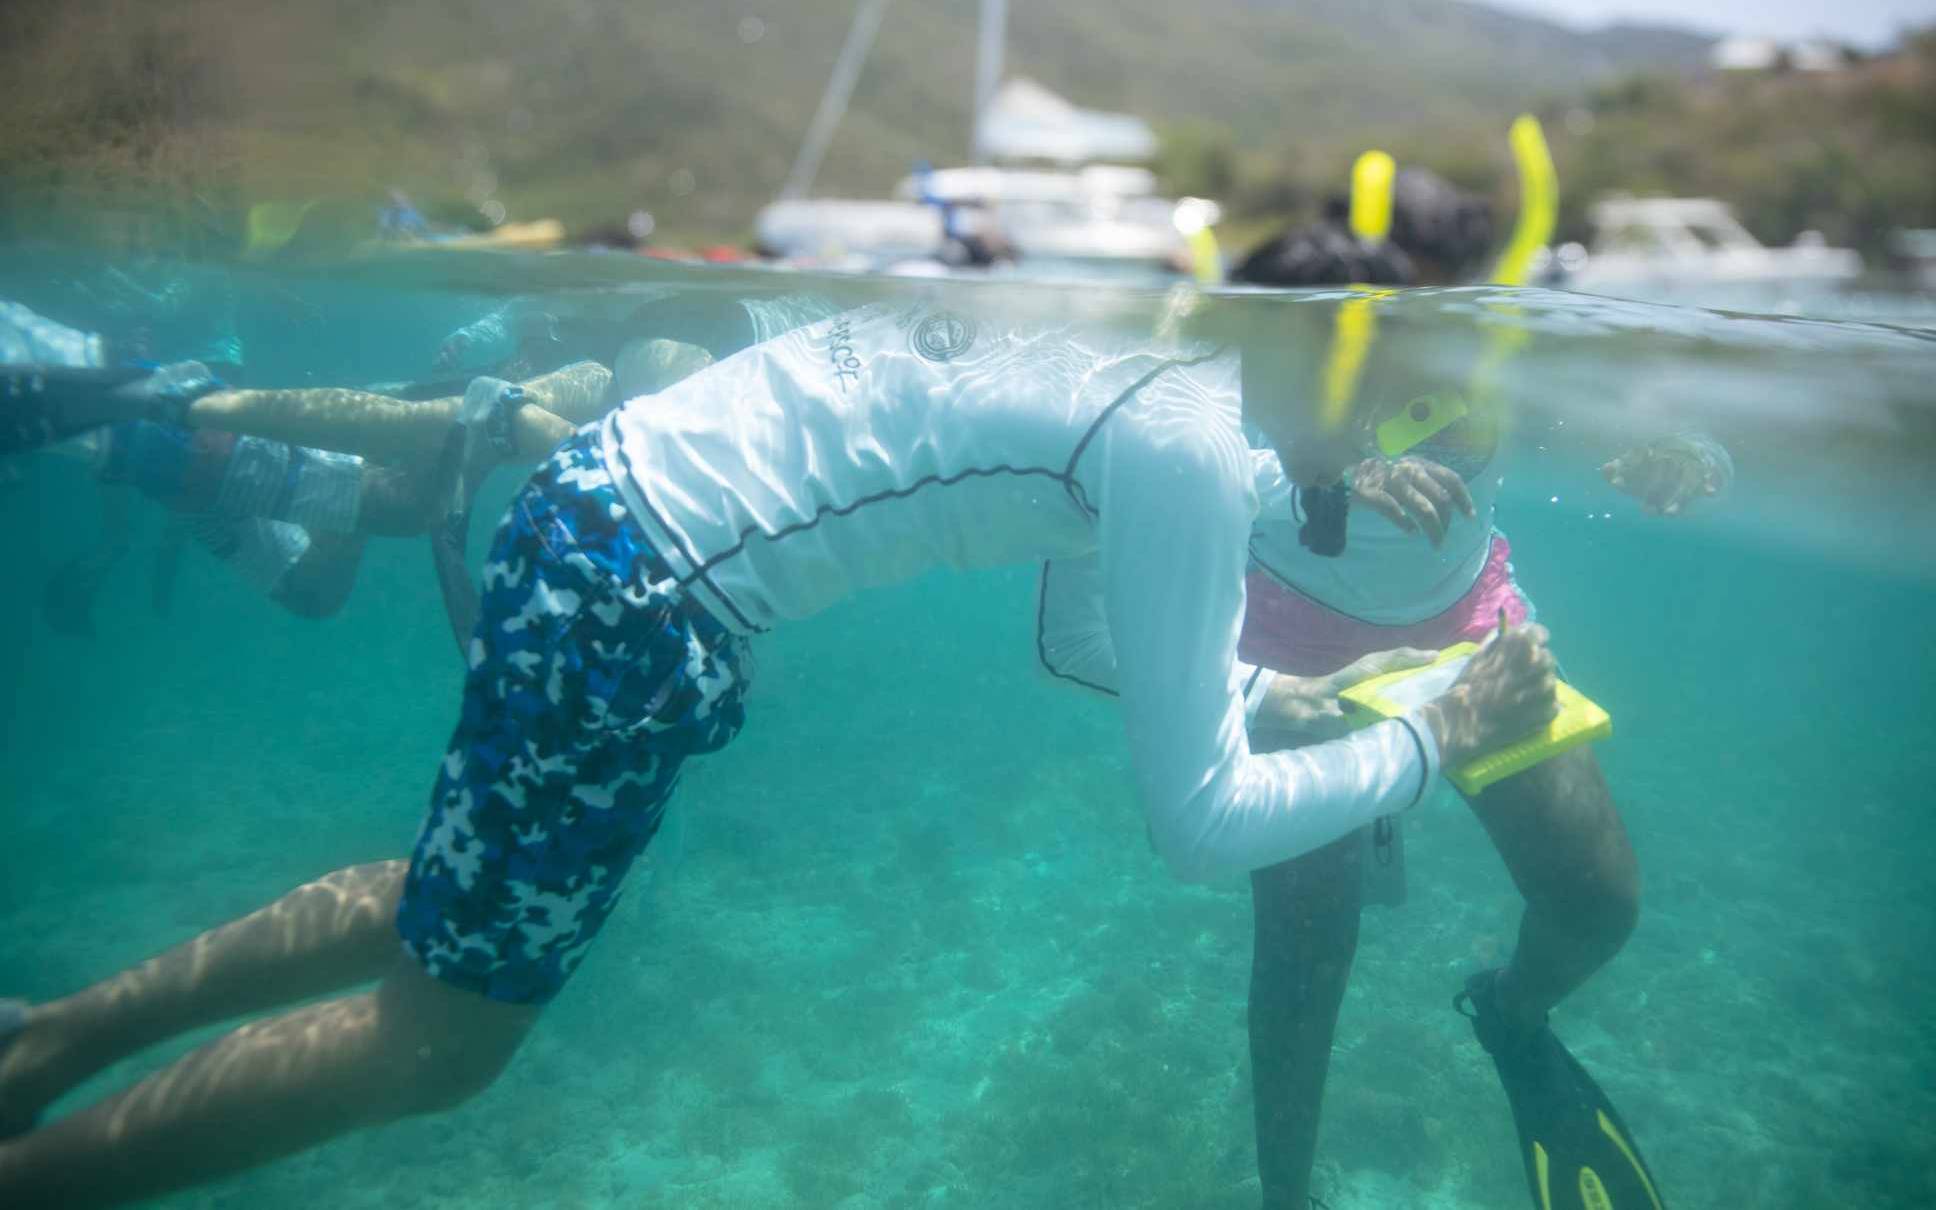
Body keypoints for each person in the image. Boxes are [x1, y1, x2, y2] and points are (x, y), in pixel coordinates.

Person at [0, 297, 1562, 1207]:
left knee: (442, 909)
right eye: (1406, 407)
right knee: (439, 1043)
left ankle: (48, 1039)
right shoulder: (1189, 449)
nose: (1405, 456)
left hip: (602, 530)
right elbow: (1202, 821)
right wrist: (1434, 732)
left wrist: (1268, 596)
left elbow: (1084, 626)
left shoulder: (1154, 373)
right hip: (640, 595)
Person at [1193, 161, 1724, 1208]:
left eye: (1442, 298)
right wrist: (1333, 468)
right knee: (1307, 964)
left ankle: (1510, 1012)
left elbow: (1675, 427)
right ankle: (1284, 1198)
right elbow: (1186, 453)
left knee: (1596, 902)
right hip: (1299, 648)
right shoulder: (1281, 334)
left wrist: (1687, 459)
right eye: (1392, 295)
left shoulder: (1504, 340)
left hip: (1468, 629)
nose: (1414, 330)